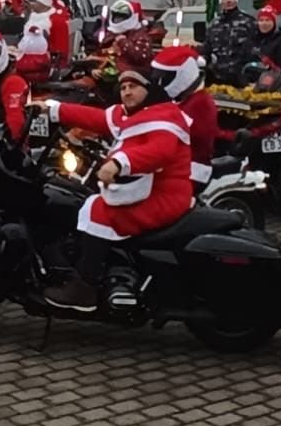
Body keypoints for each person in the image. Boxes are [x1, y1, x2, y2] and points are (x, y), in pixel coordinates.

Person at [37, 67, 194, 311]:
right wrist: (54, 108)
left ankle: (84, 289)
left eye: (134, 87)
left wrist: (119, 163)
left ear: (149, 90)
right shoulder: (131, 114)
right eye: (123, 87)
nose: (127, 92)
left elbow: (158, 152)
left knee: (99, 211)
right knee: (86, 200)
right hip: (144, 187)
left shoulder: (164, 117)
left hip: (164, 195)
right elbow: (97, 118)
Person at [151, 44, 218, 189]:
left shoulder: (201, 103)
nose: (161, 83)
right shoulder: (185, 99)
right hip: (176, 165)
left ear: (184, 74)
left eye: (166, 77)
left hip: (191, 170)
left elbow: (180, 132)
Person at [201, 0, 259, 87]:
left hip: (241, 78)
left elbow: (258, 46)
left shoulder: (248, 22)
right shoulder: (214, 24)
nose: (228, 1)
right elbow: (207, 48)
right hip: (217, 78)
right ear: (221, 2)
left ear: (236, 1)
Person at [14, 0, 66, 84]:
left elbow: (60, 46)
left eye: (34, 1)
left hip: (43, 63)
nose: (30, 4)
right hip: (28, 60)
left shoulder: (55, 20)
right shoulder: (33, 16)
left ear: (44, 3)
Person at [105, 0, 153, 74]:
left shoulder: (141, 36)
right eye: (116, 17)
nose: (117, 20)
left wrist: (123, 42)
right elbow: (101, 52)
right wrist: (93, 69)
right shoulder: (111, 33)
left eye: (121, 17)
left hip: (133, 74)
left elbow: (140, 58)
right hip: (111, 71)